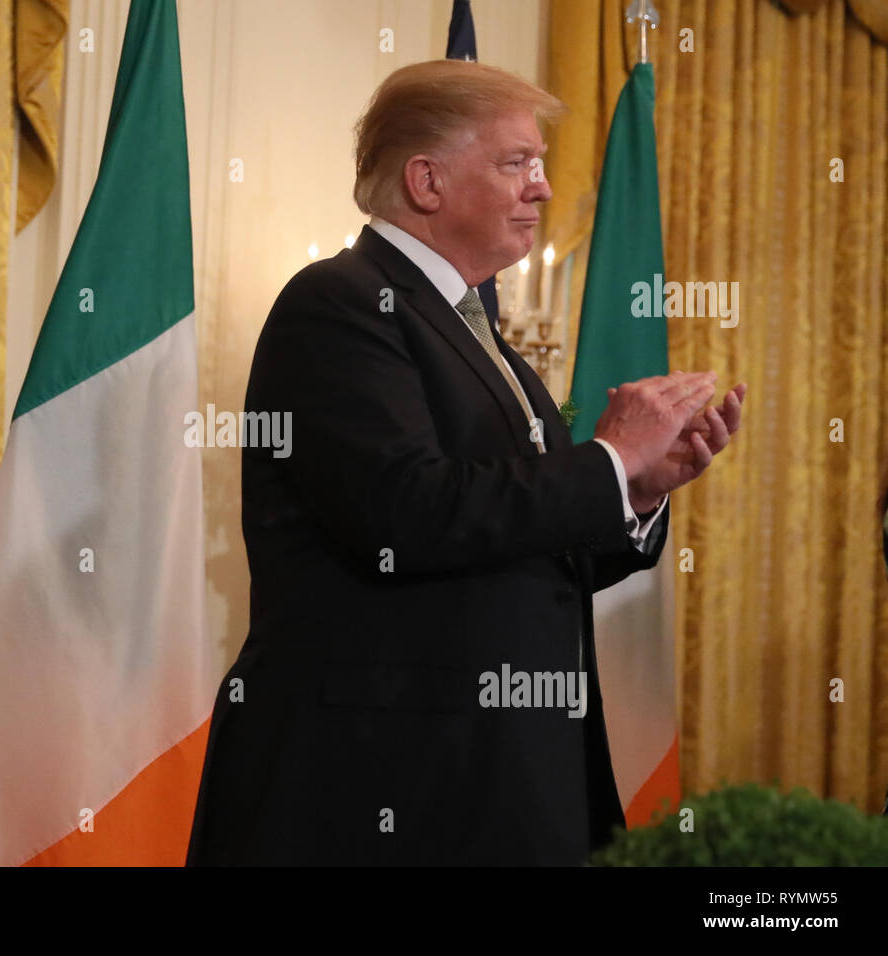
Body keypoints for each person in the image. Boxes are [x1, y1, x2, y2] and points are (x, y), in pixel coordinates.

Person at [185, 59, 745, 865]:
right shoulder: (339, 303)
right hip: (381, 788)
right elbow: (405, 511)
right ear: (426, 181)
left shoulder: (491, 347)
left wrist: (636, 490)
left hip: (495, 784)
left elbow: (525, 555)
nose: (544, 189)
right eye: (517, 162)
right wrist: (605, 462)